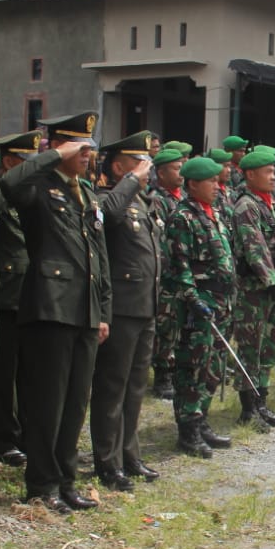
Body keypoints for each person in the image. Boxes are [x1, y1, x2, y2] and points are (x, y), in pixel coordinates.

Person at [0, 111, 110, 514]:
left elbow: (99, 258)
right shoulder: (38, 188)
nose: (87, 155)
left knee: (75, 402)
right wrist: (49, 155)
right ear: (61, 146)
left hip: (83, 310)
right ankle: (41, 484)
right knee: (47, 402)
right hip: (49, 308)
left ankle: (65, 480)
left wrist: (104, 310)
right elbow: (8, 184)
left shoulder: (86, 194)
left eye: (89, 148)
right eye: (79, 147)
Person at [89, 131, 164, 491]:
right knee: (111, 387)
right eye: (137, 163)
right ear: (119, 166)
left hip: (144, 305)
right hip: (120, 307)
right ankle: (107, 460)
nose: (146, 169)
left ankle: (129, 454)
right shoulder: (107, 197)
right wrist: (132, 181)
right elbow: (106, 216)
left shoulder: (141, 202)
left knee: (135, 387)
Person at [164, 156, 236, 458]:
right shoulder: (182, 218)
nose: (217, 187)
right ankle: (188, 429)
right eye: (211, 182)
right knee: (192, 367)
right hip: (199, 305)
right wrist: (194, 302)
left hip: (221, 302)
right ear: (193, 184)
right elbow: (178, 266)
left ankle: (202, 418)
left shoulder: (213, 214)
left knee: (214, 366)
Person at [0, 132, 38, 470]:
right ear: (9, 163)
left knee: (30, 375)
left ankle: (27, 434)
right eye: (26, 162)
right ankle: (3, 438)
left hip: (33, 296)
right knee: (3, 375)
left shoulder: (30, 197)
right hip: (4, 296)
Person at [230, 146, 275, 429]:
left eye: (274, 171)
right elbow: (255, 250)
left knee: (270, 346)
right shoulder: (246, 206)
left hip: (271, 288)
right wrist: (274, 283)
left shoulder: (271, 204)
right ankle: (248, 408)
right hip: (254, 290)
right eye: (268, 172)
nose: (273, 176)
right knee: (251, 348)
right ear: (250, 174)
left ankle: (261, 399)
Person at [148, 146, 186, 400]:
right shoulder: (156, 200)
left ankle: (174, 368)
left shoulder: (180, 197)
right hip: (167, 274)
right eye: (175, 168)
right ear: (161, 173)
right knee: (166, 324)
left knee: (178, 324)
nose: (181, 172)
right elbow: (159, 239)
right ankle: (162, 373)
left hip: (181, 273)